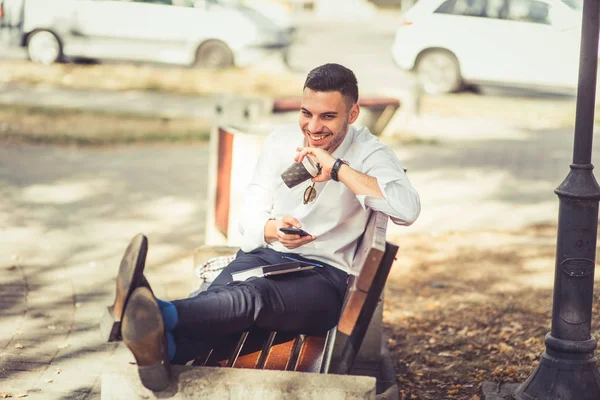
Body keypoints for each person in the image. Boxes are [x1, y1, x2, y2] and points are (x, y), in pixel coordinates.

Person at [109, 63, 421, 391]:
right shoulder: (282, 140)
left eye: (327, 117)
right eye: (306, 113)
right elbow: (253, 202)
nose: (313, 127)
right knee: (218, 299)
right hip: (266, 256)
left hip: (323, 278)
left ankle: (152, 311)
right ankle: (162, 351)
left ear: (353, 113)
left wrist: (338, 168)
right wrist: (271, 228)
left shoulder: (370, 153)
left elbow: (406, 209)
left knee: (253, 296)